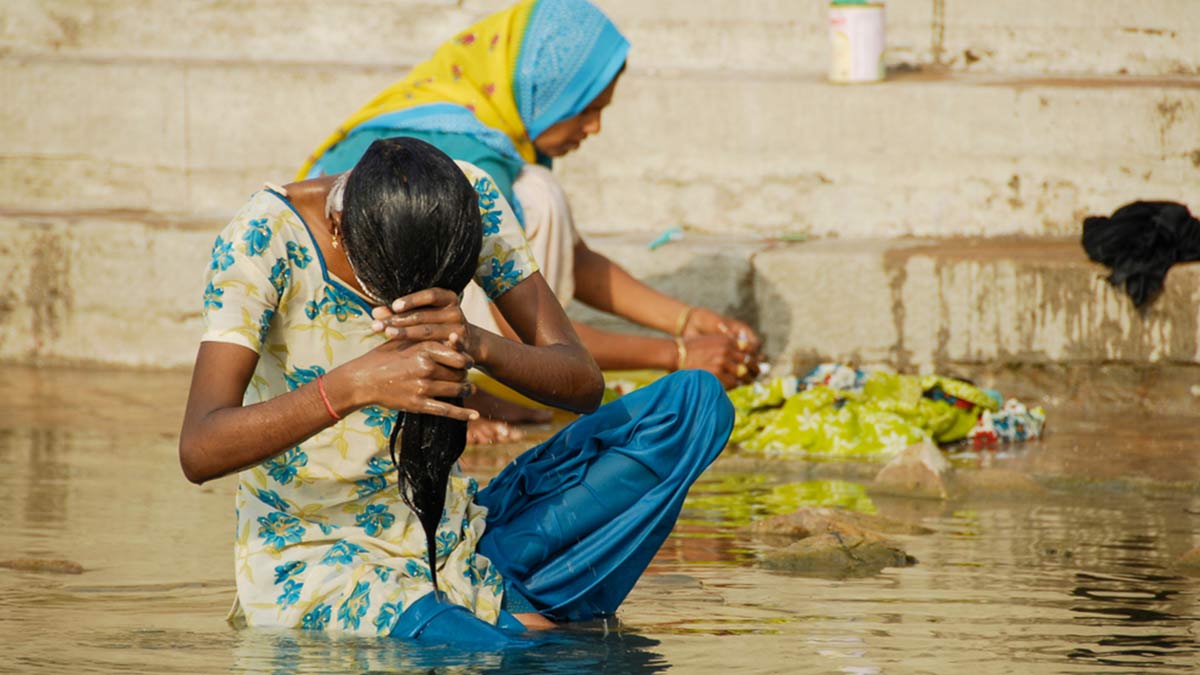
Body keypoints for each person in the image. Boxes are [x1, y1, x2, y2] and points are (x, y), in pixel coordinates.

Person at [180, 137, 734, 644]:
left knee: (694, 406)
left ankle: (506, 611)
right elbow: (200, 448)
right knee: (518, 652)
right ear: (339, 228)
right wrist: (352, 386)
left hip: (461, 537)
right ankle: (511, 620)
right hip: (324, 556)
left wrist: (475, 341)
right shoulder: (262, 240)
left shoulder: (466, 199)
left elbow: (583, 384)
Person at [298, 0, 761, 441]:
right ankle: (456, 397)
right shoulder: (468, 159)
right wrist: (677, 355)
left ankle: (470, 389)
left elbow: (573, 262)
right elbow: (521, 326)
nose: (594, 127)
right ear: (546, 91)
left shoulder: (490, 137)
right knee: (538, 194)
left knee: (537, 192)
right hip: (357, 341)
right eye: (587, 108)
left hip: (404, 327)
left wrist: (686, 321)